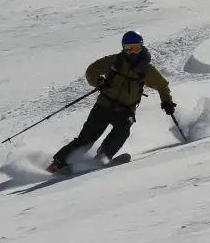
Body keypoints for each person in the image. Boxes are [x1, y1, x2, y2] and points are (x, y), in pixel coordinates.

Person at [48, 30, 176, 173]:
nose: (133, 52)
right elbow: (91, 71)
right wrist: (99, 81)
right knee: (87, 138)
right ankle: (59, 162)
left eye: (136, 48)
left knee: (123, 130)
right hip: (104, 105)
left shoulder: (146, 70)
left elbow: (162, 85)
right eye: (129, 49)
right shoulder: (115, 61)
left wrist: (167, 102)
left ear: (141, 47)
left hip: (125, 110)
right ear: (123, 48)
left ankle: (103, 156)